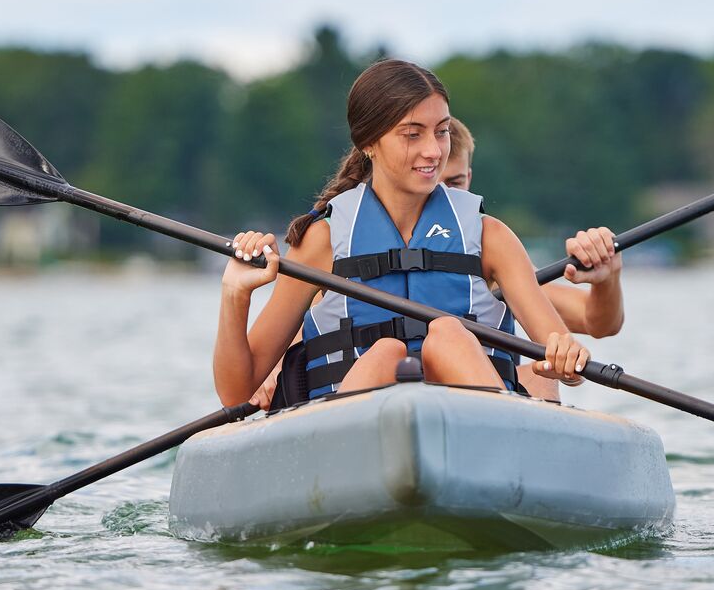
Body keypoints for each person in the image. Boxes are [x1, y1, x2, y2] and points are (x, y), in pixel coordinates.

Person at [214, 60, 590, 408]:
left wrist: (564, 358)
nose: (433, 151)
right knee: (385, 354)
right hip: (350, 433)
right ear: (368, 143)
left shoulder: (491, 237)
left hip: (475, 425)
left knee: (448, 334)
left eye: (441, 132)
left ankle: (496, 456)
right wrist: (235, 294)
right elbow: (236, 391)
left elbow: (562, 357)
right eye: (412, 134)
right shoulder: (322, 241)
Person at [440, 117, 624, 401]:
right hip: (398, 401)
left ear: (470, 178)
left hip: (484, 404)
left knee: (537, 381)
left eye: (455, 182)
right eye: (437, 184)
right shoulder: (360, 245)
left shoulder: (491, 251)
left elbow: (598, 322)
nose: (447, 196)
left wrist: (607, 280)